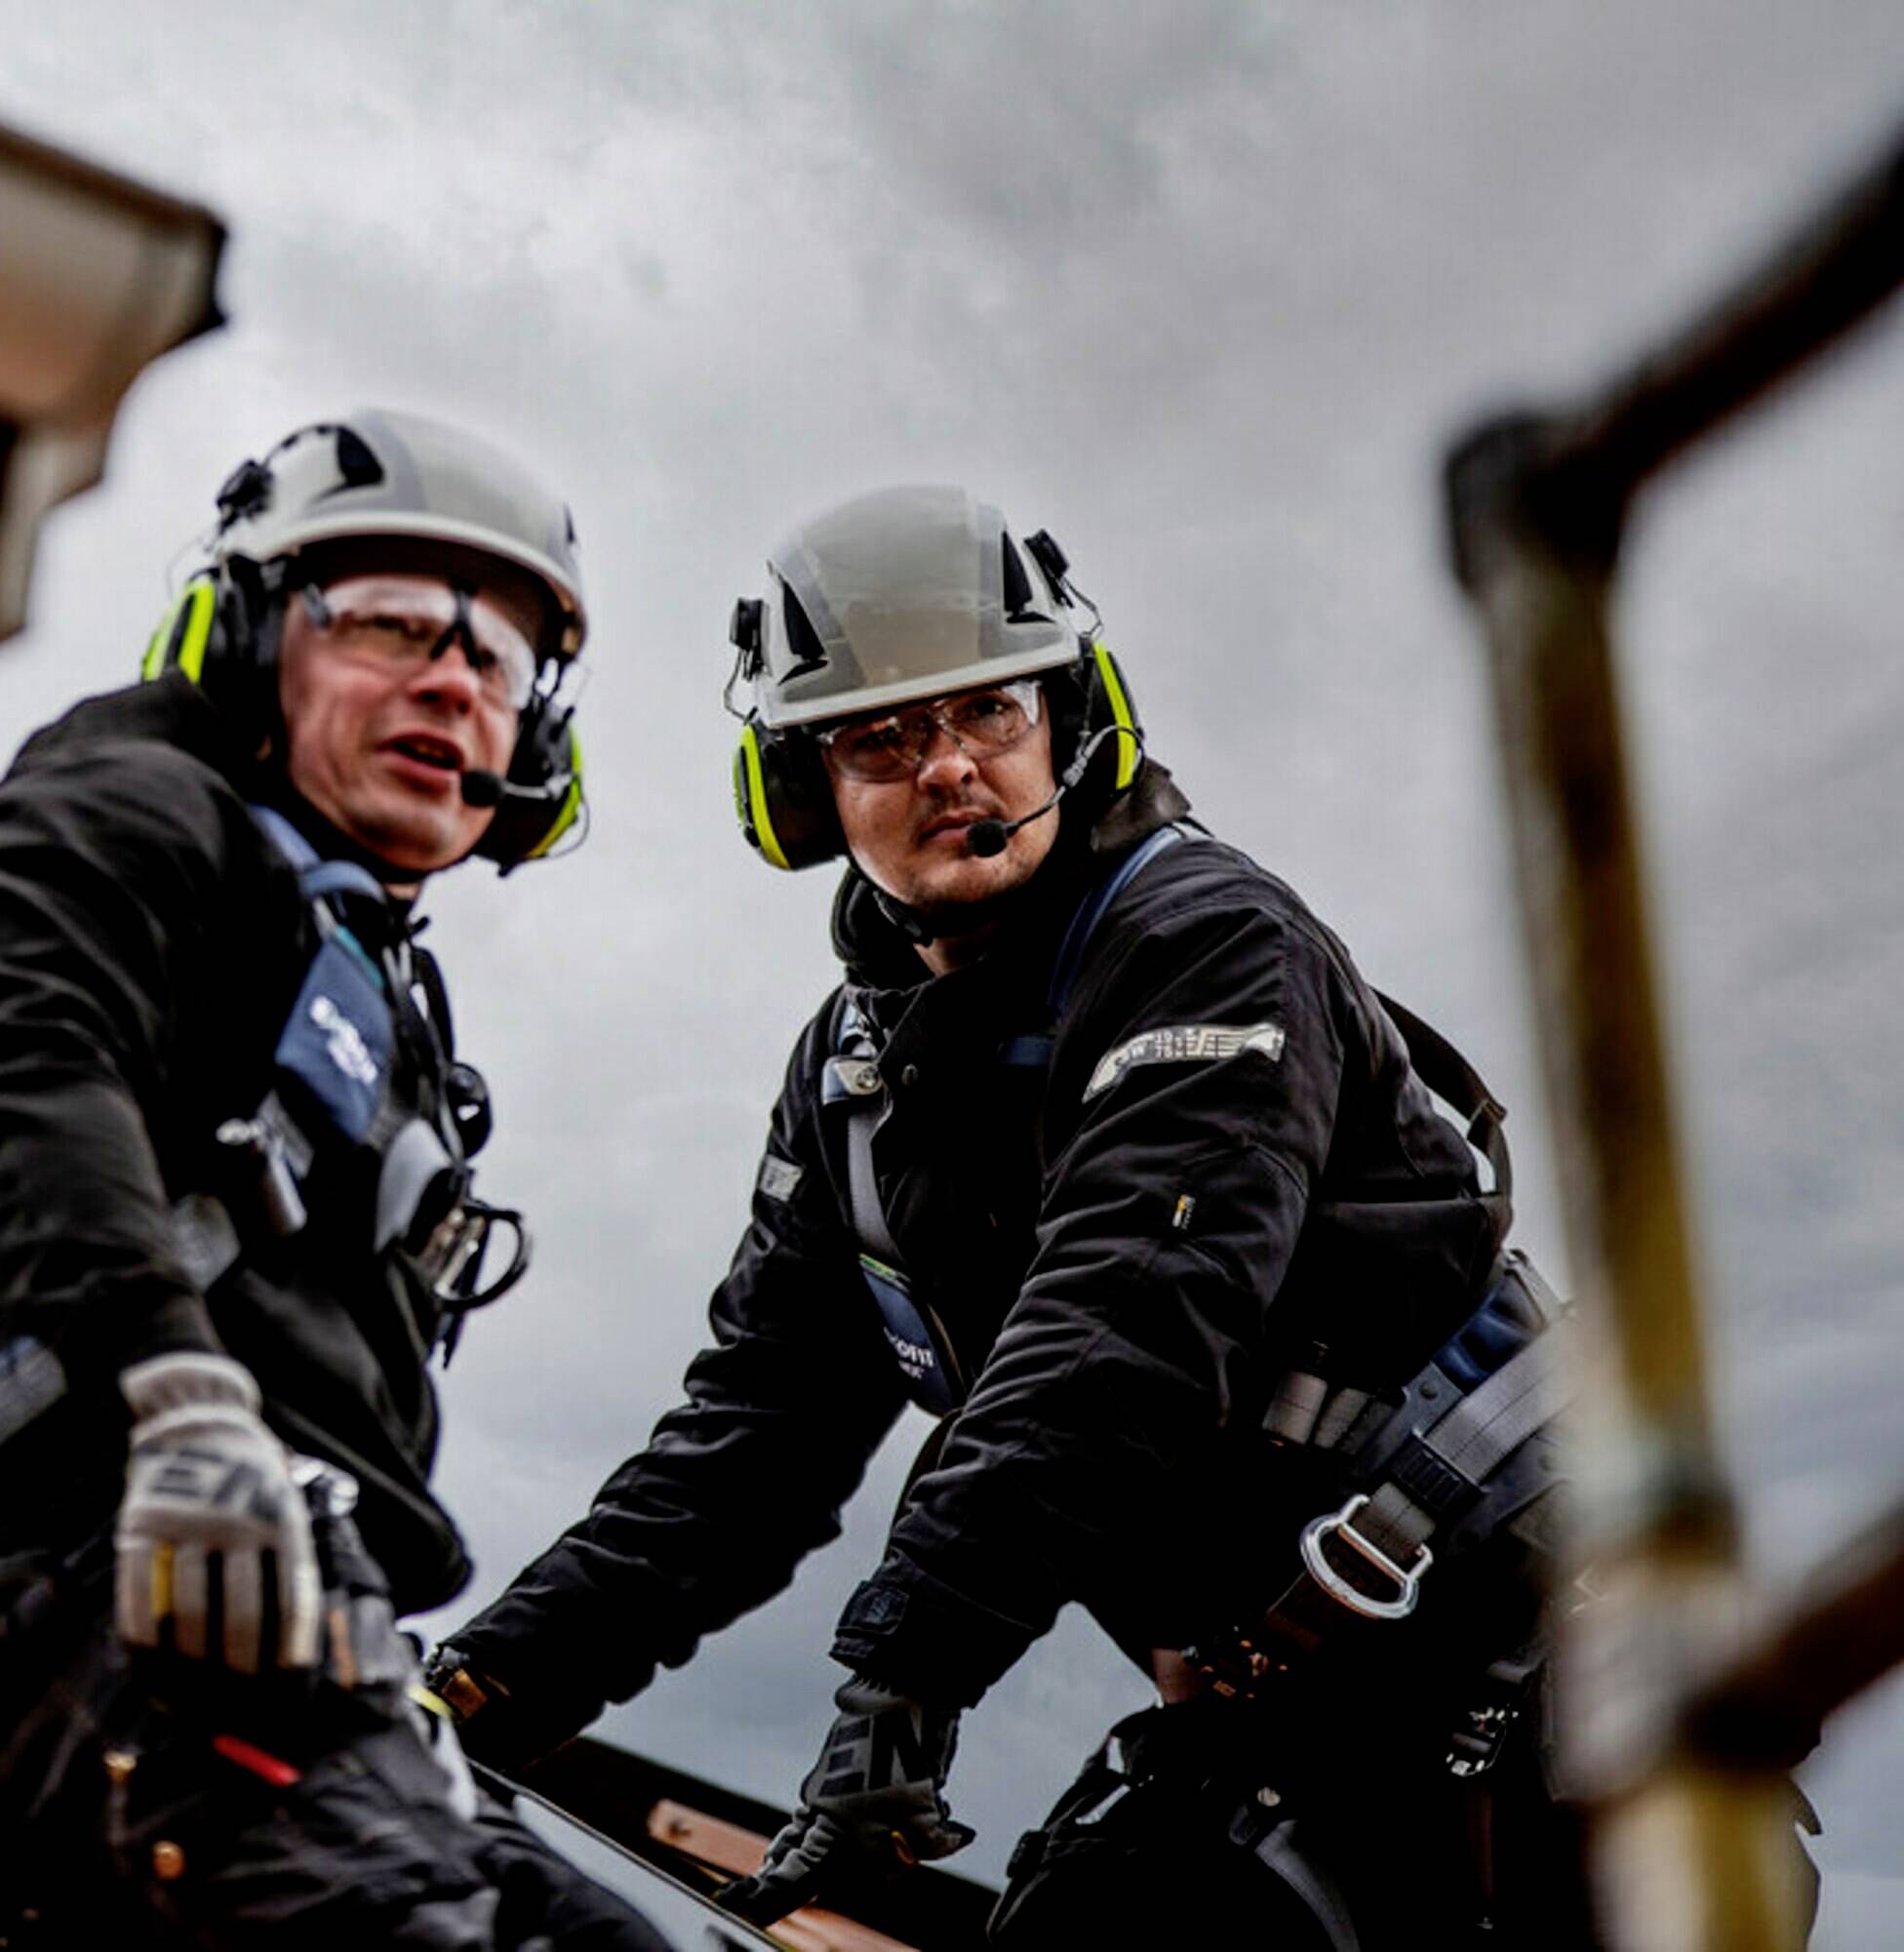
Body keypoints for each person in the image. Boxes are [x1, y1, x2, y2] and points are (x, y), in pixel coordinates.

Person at [425, 484, 1619, 1948]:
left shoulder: (1213, 944)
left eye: (990, 711)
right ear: (800, 794)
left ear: (1068, 717)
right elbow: (744, 1448)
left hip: (1560, 1703)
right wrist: (472, 1691)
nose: (948, 767)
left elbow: (1127, 1323)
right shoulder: (851, 1086)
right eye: (880, 736)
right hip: (1284, 1727)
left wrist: (906, 1673)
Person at [0, 410, 672, 1951]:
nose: (454, 682)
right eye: (397, 624)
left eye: (499, 661)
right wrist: (178, 1395)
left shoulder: (373, 971)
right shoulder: (135, 808)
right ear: (247, 641)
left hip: (299, 1619)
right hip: (106, 1576)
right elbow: (22, 1068)